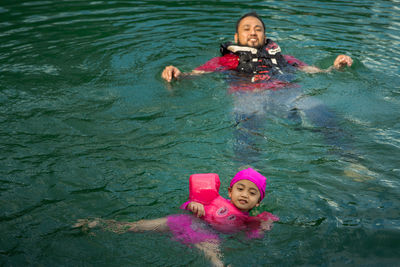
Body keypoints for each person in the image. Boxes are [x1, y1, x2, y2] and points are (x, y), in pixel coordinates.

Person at [74, 168, 279, 267]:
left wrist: (262, 228)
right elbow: (186, 206)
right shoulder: (213, 199)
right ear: (230, 190)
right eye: (240, 188)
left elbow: (252, 237)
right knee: (139, 226)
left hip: (208, 235)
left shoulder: (252, 218)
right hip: (187, 222)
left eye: (252, 193)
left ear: (258, 202)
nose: (244, 194)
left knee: (211, 252)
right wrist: (193, 204)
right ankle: (100, 224)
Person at [161, 12, 353, 83]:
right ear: (236, 38)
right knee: (247, 131)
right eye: (247, 29)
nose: (253, 32)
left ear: (264, 36)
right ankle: (245, 172)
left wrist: (336, 67)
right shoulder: (226, 60)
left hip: (288, 95)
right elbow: (197, 74)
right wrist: (177, 73)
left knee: (320, 114)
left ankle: (351, 161)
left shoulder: (284, 58)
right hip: (249, 100)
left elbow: (316, 72)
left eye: (258, 29)